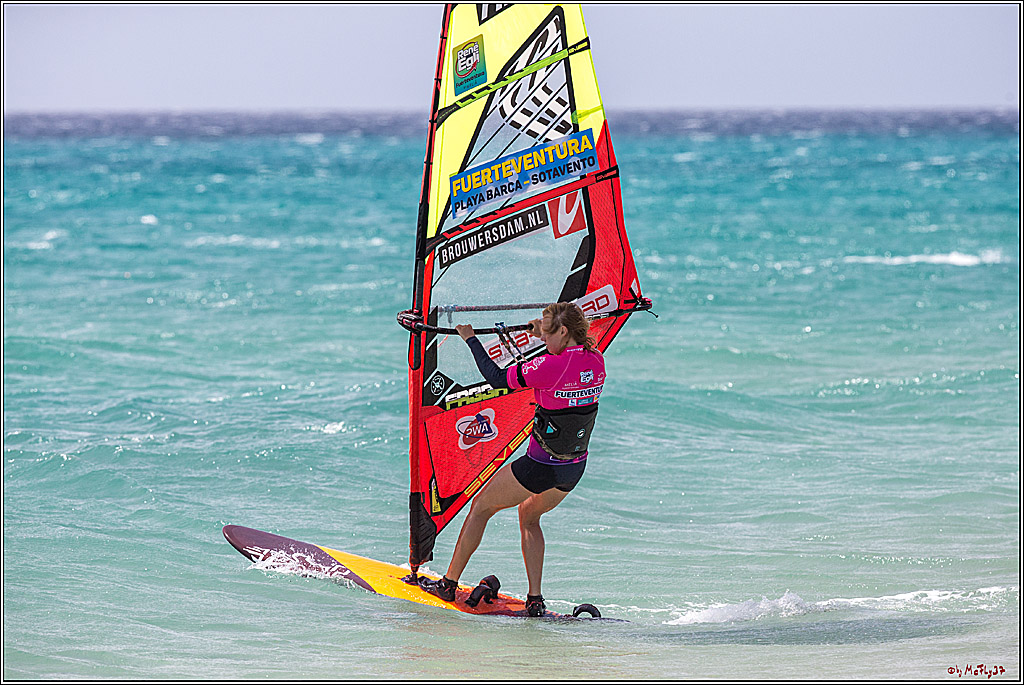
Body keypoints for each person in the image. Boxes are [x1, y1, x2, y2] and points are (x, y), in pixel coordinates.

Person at [418, 302, 606, 616]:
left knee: (480, 508)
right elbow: (559, 364)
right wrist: (539, 336)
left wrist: (470, 338)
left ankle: (448, 583)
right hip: (573, 467)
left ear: (563, 331)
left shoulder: (548, 366)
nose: (544, 340)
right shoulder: (596, 360)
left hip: (541, 466)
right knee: (529, 515)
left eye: (548, 334)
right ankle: (534, 600)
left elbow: (497, 377)